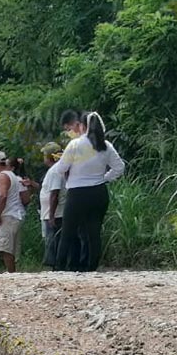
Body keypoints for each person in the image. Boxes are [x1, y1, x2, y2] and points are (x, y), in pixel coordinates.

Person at [48, 111, 125, 272]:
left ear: (82, 126)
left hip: (77, 193)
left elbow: (61, 168)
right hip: (98, 192)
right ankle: (91, 266)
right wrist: (104, 178)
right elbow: (119, 167)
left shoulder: (75, 145)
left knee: (68, 231)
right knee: (94, 231)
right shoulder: (105, 145)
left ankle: (61, 266)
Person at [0, 150, 29, 273]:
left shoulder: (3, 176)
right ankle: (12, 272)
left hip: (7, 216)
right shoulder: (12, 175)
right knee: (11, 247)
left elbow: (3, 195)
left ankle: (11, 273)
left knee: (5, 248)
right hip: (14, 215)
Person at [38, 142, 70, 268]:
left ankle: (57, 266)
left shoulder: (55, 171)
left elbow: (54, 194)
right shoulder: (58, 169)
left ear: (49, 157)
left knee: (53, 240)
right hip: (55, 212)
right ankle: (57, 265)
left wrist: (51, 215)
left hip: (56, 213)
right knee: (53, 240)